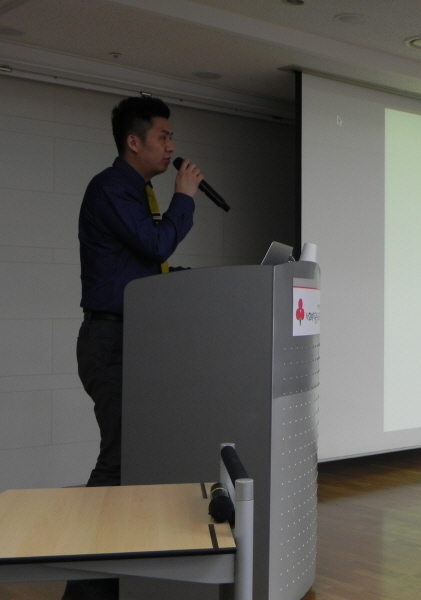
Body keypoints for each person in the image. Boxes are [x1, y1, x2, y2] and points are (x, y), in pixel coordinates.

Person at [62, 95, 203, 600]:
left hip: (132, 340)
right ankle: (84, 589)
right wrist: (184, 197)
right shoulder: (111, 188)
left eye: (170, 137)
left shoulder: (137, 193)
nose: (171, 146)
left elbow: (146, 265)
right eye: (163, 137)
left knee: (133, 460)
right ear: (133, 142)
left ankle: (118, 579)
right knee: (119, 460)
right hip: (110, 341)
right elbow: (157, 244)